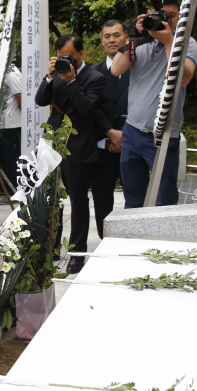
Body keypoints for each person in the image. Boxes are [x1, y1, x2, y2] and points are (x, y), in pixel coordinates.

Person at [111, 0, 197, 208]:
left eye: (172, 15)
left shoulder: (187, 42)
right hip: (132, 130)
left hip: (163, 134)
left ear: (180, 17)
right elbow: (116, 69)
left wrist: (169, 41)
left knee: (164, 199)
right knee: (133, 196)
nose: (166, 19)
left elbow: (183, 79)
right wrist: (133, 37)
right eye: (161, 14)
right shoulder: (139, 42)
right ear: (149, 14)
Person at [35, 35, 105, 273]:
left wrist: (72, 81)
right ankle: (52, 248)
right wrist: (49, 76)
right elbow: (40, 100)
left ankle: (77, 252)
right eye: (61, 56)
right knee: (52, 199)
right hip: (54, 144)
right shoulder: (57, 73)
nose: (65, 60)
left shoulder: (95, 78)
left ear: (81, 54)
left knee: (78, 200)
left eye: (70, 56)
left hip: (80, 146)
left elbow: (86, 108)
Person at [83, 20, 130, 256]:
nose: (112, 40)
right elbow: (90, 108)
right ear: (102, 41)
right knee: (102, 198)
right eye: (107, 36)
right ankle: (106, 243)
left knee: (135, 196)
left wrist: (124, 137)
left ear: (127, 38)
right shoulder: (92, 73)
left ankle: (133, 240)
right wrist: (110, 134)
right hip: (102, 145)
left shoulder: (139, 68)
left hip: (132, 145)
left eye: (116, 35)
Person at [0, 66, 23, 203]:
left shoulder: (11, 72)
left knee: (11, 158)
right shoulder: (1, 69)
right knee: (3, 157)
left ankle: (15, 191)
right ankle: (5, 187)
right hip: (2, 123)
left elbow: (21, 98)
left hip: (12, 124)